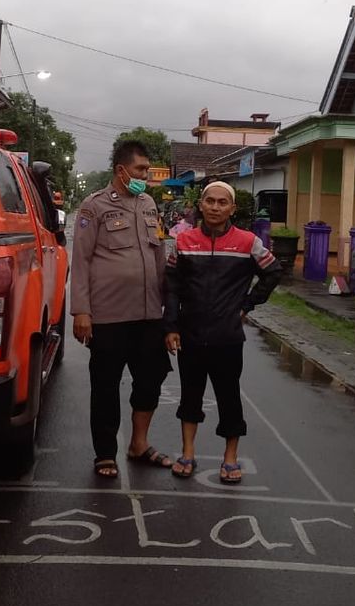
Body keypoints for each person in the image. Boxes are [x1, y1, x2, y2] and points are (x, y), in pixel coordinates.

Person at [163, 181, 282, 484]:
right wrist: (172, 326)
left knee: (229, 398)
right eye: (210, 201)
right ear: (200, 205)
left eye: (222, 202)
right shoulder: (184, 241)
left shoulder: (248, 242)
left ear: (232, 208)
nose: (215, 207)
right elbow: (172, 285)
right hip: (190, 334)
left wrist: (247, 305)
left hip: (227, 338)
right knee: (190, 396)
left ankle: (230, 457)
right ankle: (187, 452)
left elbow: (272, 272)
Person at [70, 140, 174, 478]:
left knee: (151, 379)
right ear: (121, 170)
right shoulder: (94, 207)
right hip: (109, 316)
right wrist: (81, 311)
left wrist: (167, 312)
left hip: (147, 316)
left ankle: (139, 444)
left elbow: (158, 257)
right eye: (141, 169)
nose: (146, 175)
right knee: (105, 385)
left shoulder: (148, 204)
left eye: (147, 169)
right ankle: (105, 453)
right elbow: (81, 261)